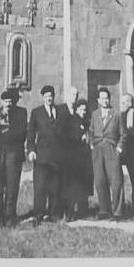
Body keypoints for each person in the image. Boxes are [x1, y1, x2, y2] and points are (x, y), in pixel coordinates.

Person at [0, 89, 27, 227]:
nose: (9, 104)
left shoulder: (21, 113)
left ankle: (10, 216)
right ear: (2, 102)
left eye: (11, 101)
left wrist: (6, 131)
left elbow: (21, 133)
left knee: (12, 186)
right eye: (6, 101)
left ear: (15, 102)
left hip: (13, 153)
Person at [27, 84, 63, 224]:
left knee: (55, 187)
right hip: (41, 156)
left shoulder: (60, 111)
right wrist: (31, 150)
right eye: (46, 96)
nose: (49, 99)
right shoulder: (37, 112)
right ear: (42, 98)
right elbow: (31, 133)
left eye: (51, 96)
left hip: (56, 156)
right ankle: (38, 214)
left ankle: (54, 213)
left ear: (54, 97)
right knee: (40, 187)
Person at [89, 86, 126, 221]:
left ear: (109, 99)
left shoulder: (116, 115)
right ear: (98, 100)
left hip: (111, 149)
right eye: (102, 98)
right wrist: (92, 144)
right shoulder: (94, 114)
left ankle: (117, 212)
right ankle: (104, 210)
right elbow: (91, 131)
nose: (105, 101)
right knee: (100, 181)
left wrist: (119, 148)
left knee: (116, 181)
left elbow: (123, 134)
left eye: (107, 98)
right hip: (98, 150)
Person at [65, 98, 93, 220]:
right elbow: (68, 136)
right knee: (73, 185)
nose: (83, 112)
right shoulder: (71, 121)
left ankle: (83, 211)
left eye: (85, 109)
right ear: (76, 110)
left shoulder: (87, 122)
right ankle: (69, 212)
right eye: (80, 109)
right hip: (73, 158)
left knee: (84, 184)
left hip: (85, 158)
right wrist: (79, 136)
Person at [57, 85, 79, 219]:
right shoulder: (60, 110)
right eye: (72, 95)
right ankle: (60, 211)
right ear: (67, 96)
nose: (74, 97)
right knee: (61, 182)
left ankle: (70, 211)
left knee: (72, 183)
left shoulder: (78, 111)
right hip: (62, 152)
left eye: (76, 95)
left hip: (74, 153)